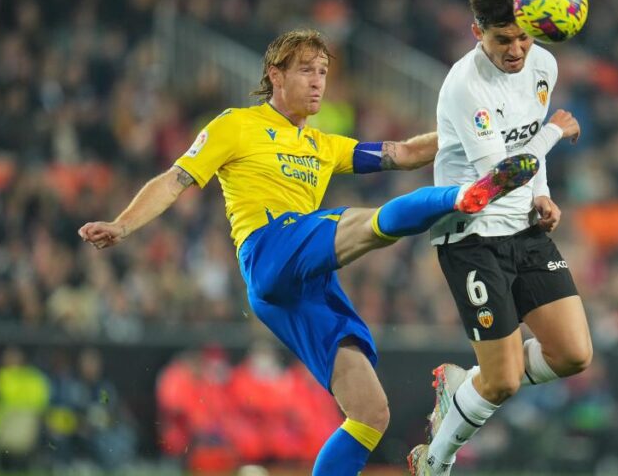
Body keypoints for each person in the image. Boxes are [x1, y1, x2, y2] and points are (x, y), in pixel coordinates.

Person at [78, 28, 540, 476]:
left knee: (370, 412)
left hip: (300, 283)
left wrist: (469, 131)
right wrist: (123, 224)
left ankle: (466, 195)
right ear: (275, 75)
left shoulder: (323, 146)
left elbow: (401, 152)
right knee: (366, 222)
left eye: (322, 71)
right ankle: (464, 197)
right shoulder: (235, 124)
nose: (318, 81)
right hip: (269, 248)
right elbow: (175, 179)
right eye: (305, 70)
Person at [408, 0, 592, 474]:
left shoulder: (543, 65)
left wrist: (543, 194)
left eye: (524, 38)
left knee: (574, 354)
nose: (516, 50)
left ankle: (464, 386)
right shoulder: (465, 86)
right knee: (504, 382)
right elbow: (498, 176)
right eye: (503, 39)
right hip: (471, 236)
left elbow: (526, 140)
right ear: (476, 33)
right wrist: (554, 133)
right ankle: (435, 461)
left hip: (524, 229)